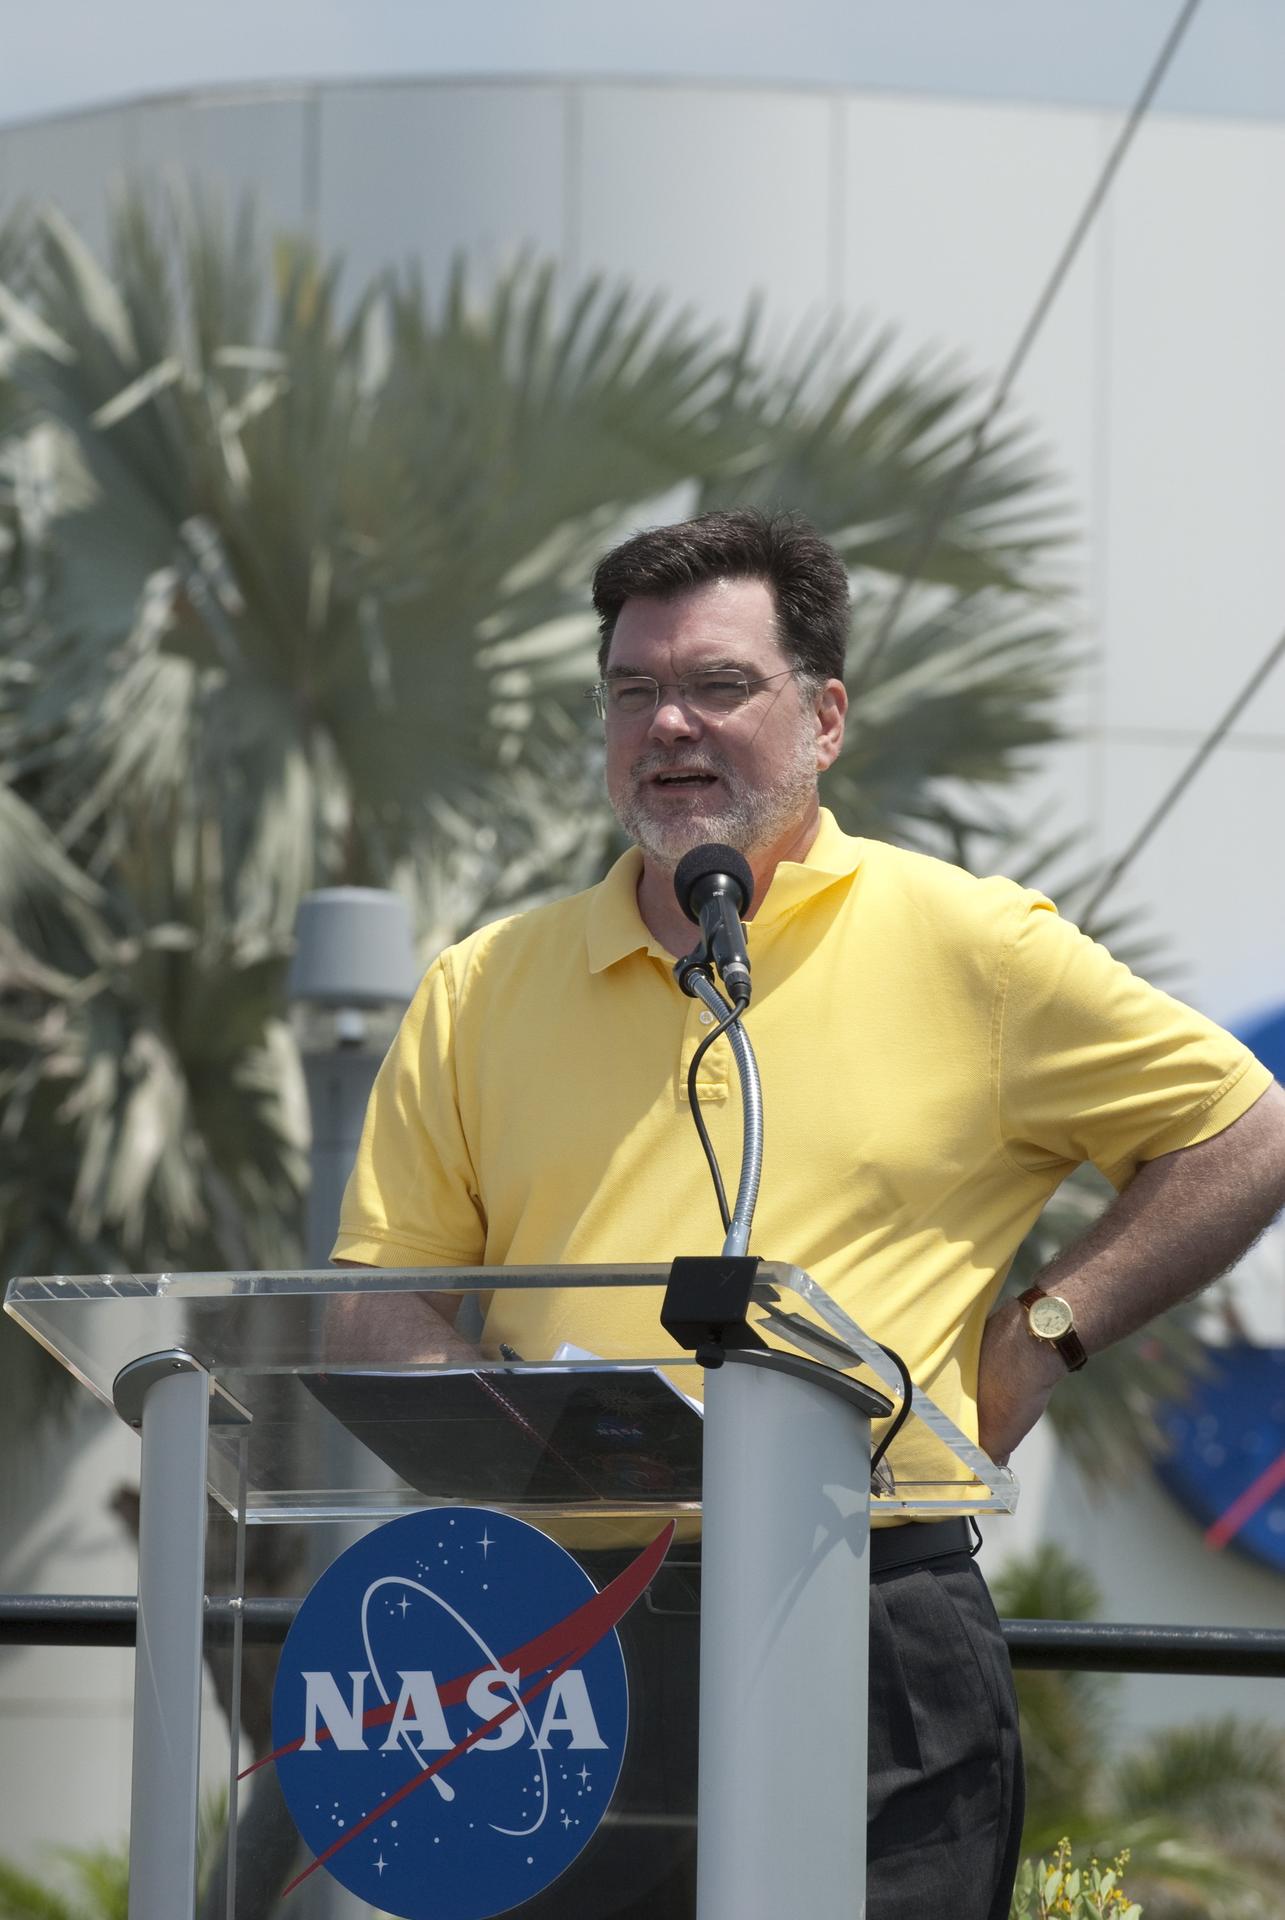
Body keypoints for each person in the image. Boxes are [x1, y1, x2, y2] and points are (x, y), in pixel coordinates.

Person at [333, 509, 1285, 1920]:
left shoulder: (970, 944)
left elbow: (1246, 1132)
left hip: (865, 1604)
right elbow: (377, 1303)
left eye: (718, 685)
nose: (668, 723)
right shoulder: (481, 986)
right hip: (558, 1635)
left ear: (825, 717)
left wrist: (1037, 1340)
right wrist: (517, 1440)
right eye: (632, 690)